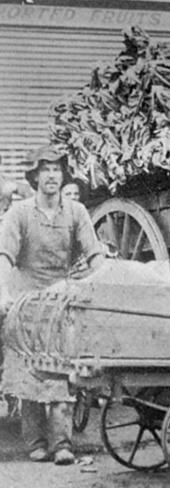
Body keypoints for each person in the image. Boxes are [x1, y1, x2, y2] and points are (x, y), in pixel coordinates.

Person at [0, 146, 105, 464]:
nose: (51, 175)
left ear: (64, 175)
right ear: (33, 176)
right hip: (26, 303)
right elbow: (5, 256)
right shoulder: (19, 213)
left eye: (57, 169)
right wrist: (3, 293)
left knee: (63, 373)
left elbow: (94, 253)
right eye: (44, 170)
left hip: (61, 301)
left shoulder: (76, 212)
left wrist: (106, 279)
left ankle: (62, 443)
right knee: (29, 372)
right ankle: (35, 441)